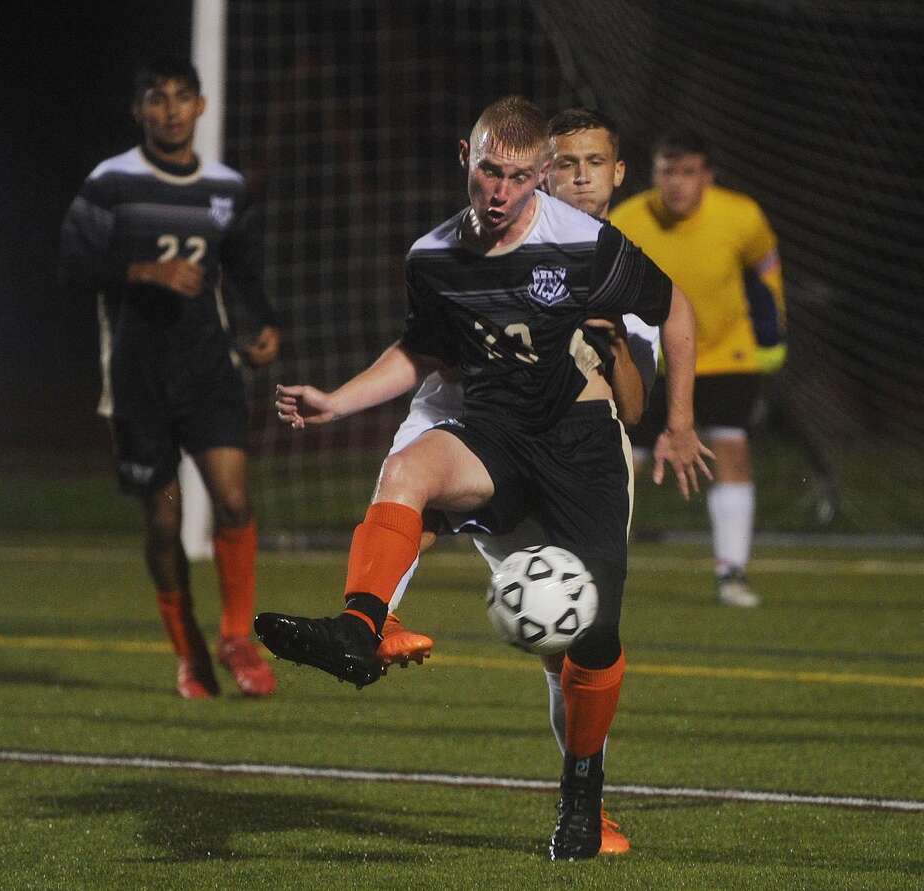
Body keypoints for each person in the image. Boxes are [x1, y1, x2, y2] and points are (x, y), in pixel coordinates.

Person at [258, 96, 710, 860]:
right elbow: (421, 353)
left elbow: (677, 309)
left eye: (516, 176)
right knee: (407, 468)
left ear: (539, 177)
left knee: (590, 640)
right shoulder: (432, 256)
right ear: (463, 159)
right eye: (487, 171)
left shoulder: (588, 246)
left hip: (580, 449)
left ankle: (583, 796)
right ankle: (360, 627)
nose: (498, 191)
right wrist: (336, 399)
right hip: (495, 437)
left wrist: (681, 421)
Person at [59, 58, 280, 700]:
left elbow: (244, 275)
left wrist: (264, 326)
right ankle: (189, 653)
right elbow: (73, 267)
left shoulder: (227, 188)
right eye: (157, 99)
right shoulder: (110, 183)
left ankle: (236, 637)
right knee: (164, 521)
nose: (171, 111)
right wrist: (141, 272)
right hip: (136, 379)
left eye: (183, 99)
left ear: (201, 107)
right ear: (140, 110)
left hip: (209, 372)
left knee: (233, 500)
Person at [611, 128, 785, 608]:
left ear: (706, 175)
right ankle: (593, 569)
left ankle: (732, 573)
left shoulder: (741, 215)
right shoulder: (627, 220)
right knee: (621, 461)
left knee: (730, 449)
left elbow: (764, 266)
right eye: (668, 172)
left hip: (725, 352)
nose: (677, 184)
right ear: (654, 174)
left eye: (688, 172)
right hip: (652, 360)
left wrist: (773, 326)